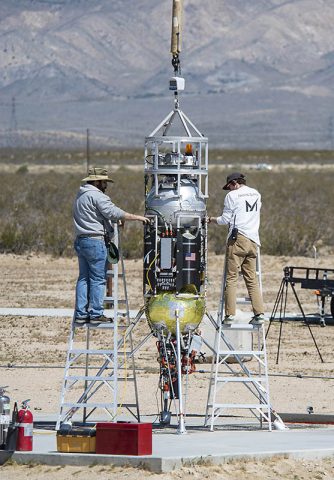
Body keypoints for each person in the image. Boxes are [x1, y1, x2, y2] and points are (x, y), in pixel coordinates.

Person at [73, 167, 149, 325]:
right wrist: (136, 218)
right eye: (104, 182)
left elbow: (98, 215)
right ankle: (95, 313)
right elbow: (113, 212)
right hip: (95, 241)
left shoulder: (80, 196)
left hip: (81, 240)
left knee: (83, 278)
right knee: (98, 279)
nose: (105, 185)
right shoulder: (97, 196)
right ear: (97, 181)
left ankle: (81, 313)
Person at [208, 172, 265, 325]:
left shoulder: (232, 197)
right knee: (252, 279)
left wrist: (211, 220)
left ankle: (229, 315)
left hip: (238, 238)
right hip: (254, 241)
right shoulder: (256, 194)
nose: (230, 190)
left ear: (234, 183)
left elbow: (224, 220)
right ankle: (259, 313)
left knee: (231, 277)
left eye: (230, 187)